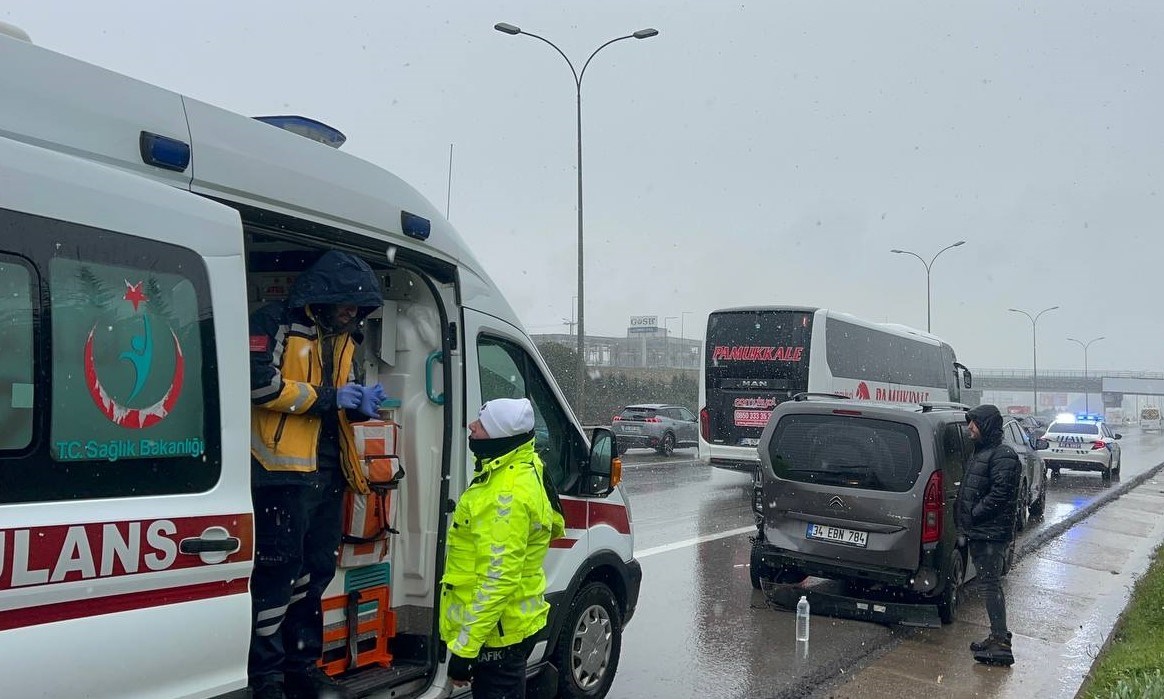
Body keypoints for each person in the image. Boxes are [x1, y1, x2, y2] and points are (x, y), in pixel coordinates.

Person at [248, 250, 385, 699]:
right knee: (277, 576)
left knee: (316, 572)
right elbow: (259, 385)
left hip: (329, 472)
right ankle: (266, 678)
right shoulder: (275, 322)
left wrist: (363, 406)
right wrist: (332, 398)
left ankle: (302, 667)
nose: (352, 313)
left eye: (359, 308)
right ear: (321, 296)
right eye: (346, 304)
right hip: (279, 472)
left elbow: (339, 402)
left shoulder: (347, 340)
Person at [440, 398, 565, 699]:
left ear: (501, 437)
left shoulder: (505, 495)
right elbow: (556, 522)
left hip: (497, 637)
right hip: (506, 629)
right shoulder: (524, 466)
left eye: (481, 424)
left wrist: (465, 649)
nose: (472, 426)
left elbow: (497, 581)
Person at [956, 404, 1021, 667]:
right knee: (988, 585)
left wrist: (974, 513)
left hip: (991, 534)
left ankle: (1000, 643)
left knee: (990, 585)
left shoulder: (1002, 455)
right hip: (982, 531)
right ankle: (997, 637)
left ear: (988, 426)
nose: (970, 428)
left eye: (975, 423)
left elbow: (1001, 493)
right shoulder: (984, 452)